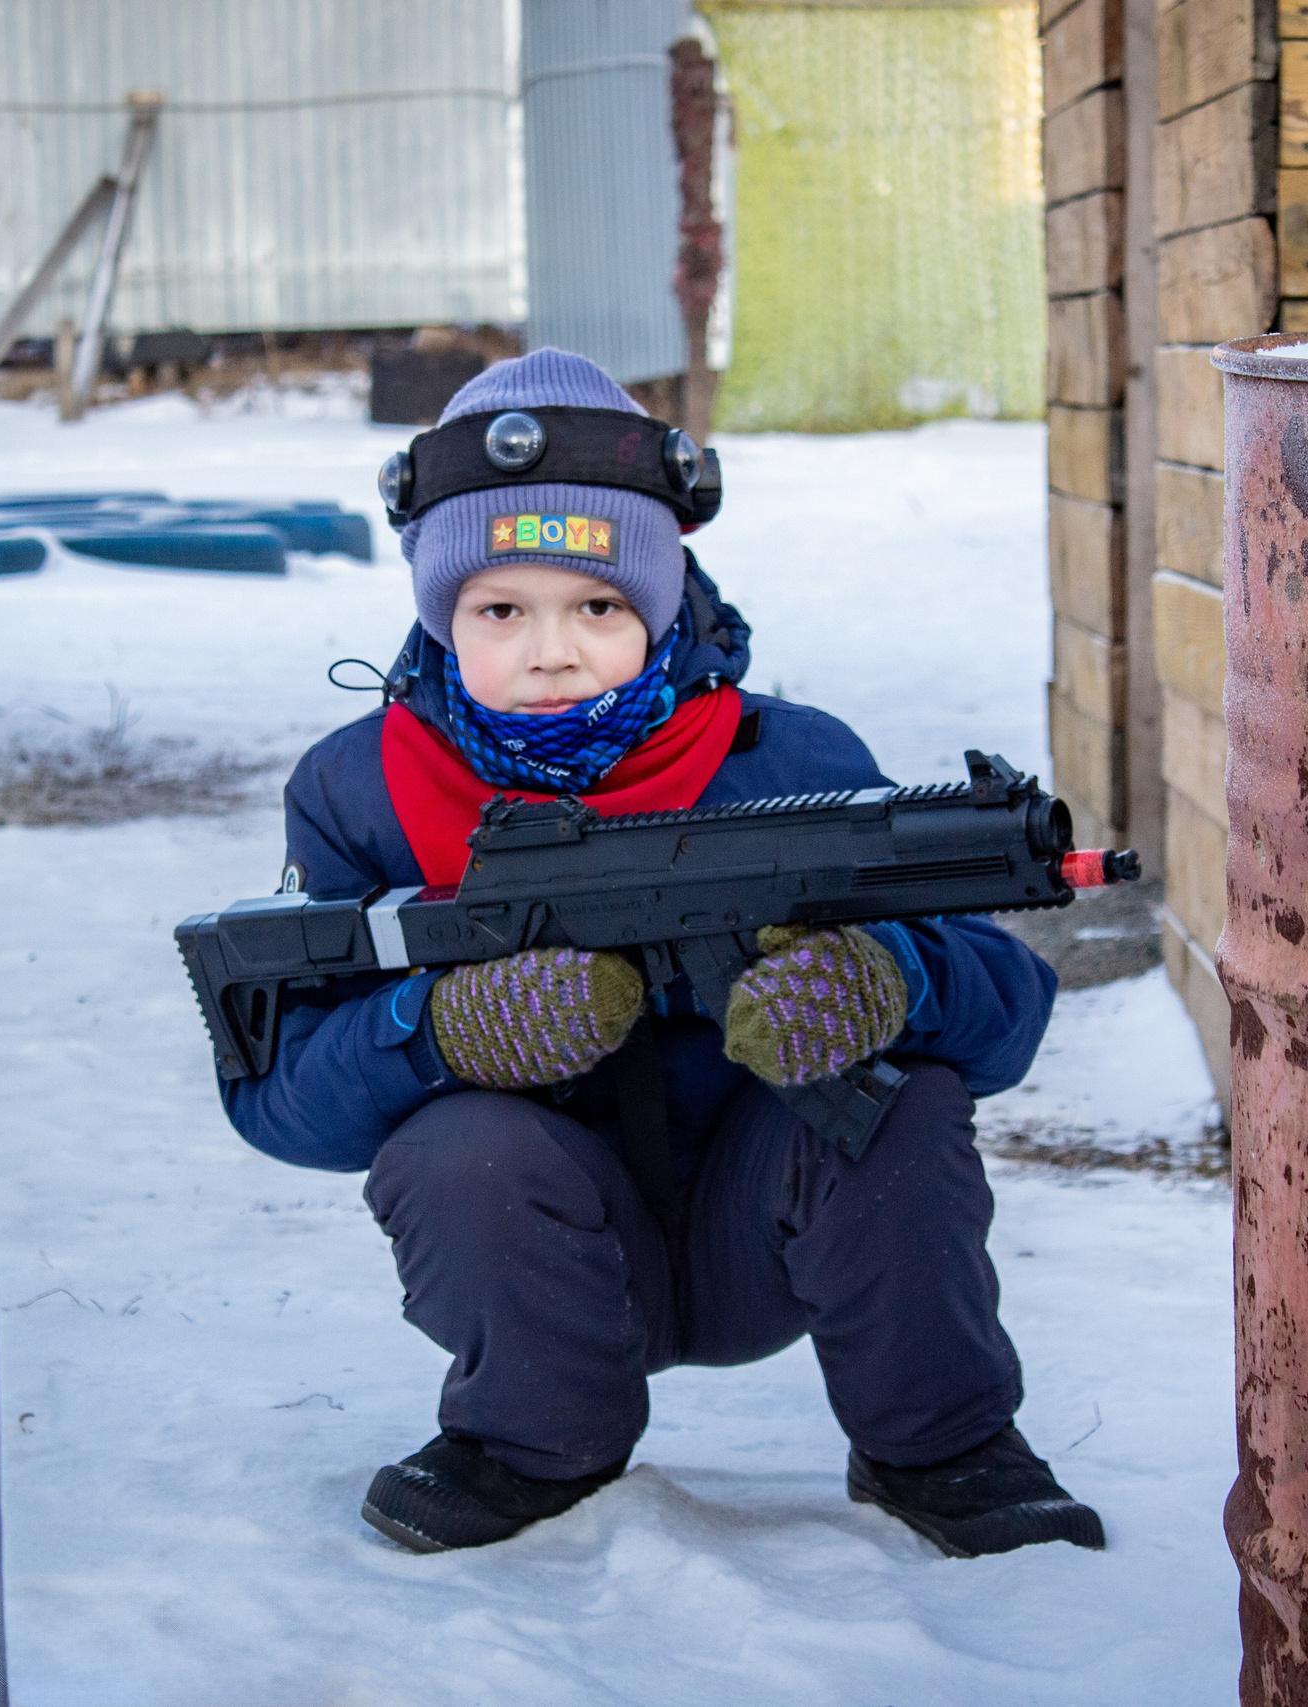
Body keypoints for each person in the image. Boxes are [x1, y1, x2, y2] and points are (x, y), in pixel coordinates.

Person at [221, 348, 1102, 1558]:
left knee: (904, 1099)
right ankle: (531, 1442)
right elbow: (283, 1102)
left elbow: (1007, 1015)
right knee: (453, 1142)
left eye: (598, 606)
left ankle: (942, 1444)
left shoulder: (785, 764)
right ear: (437, 614)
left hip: (772, 1220)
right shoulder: (361, 791)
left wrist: (891, 982)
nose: (551, 651)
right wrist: (433, 1032)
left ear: (662, 600)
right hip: (546, 1250)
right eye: (499, 610)